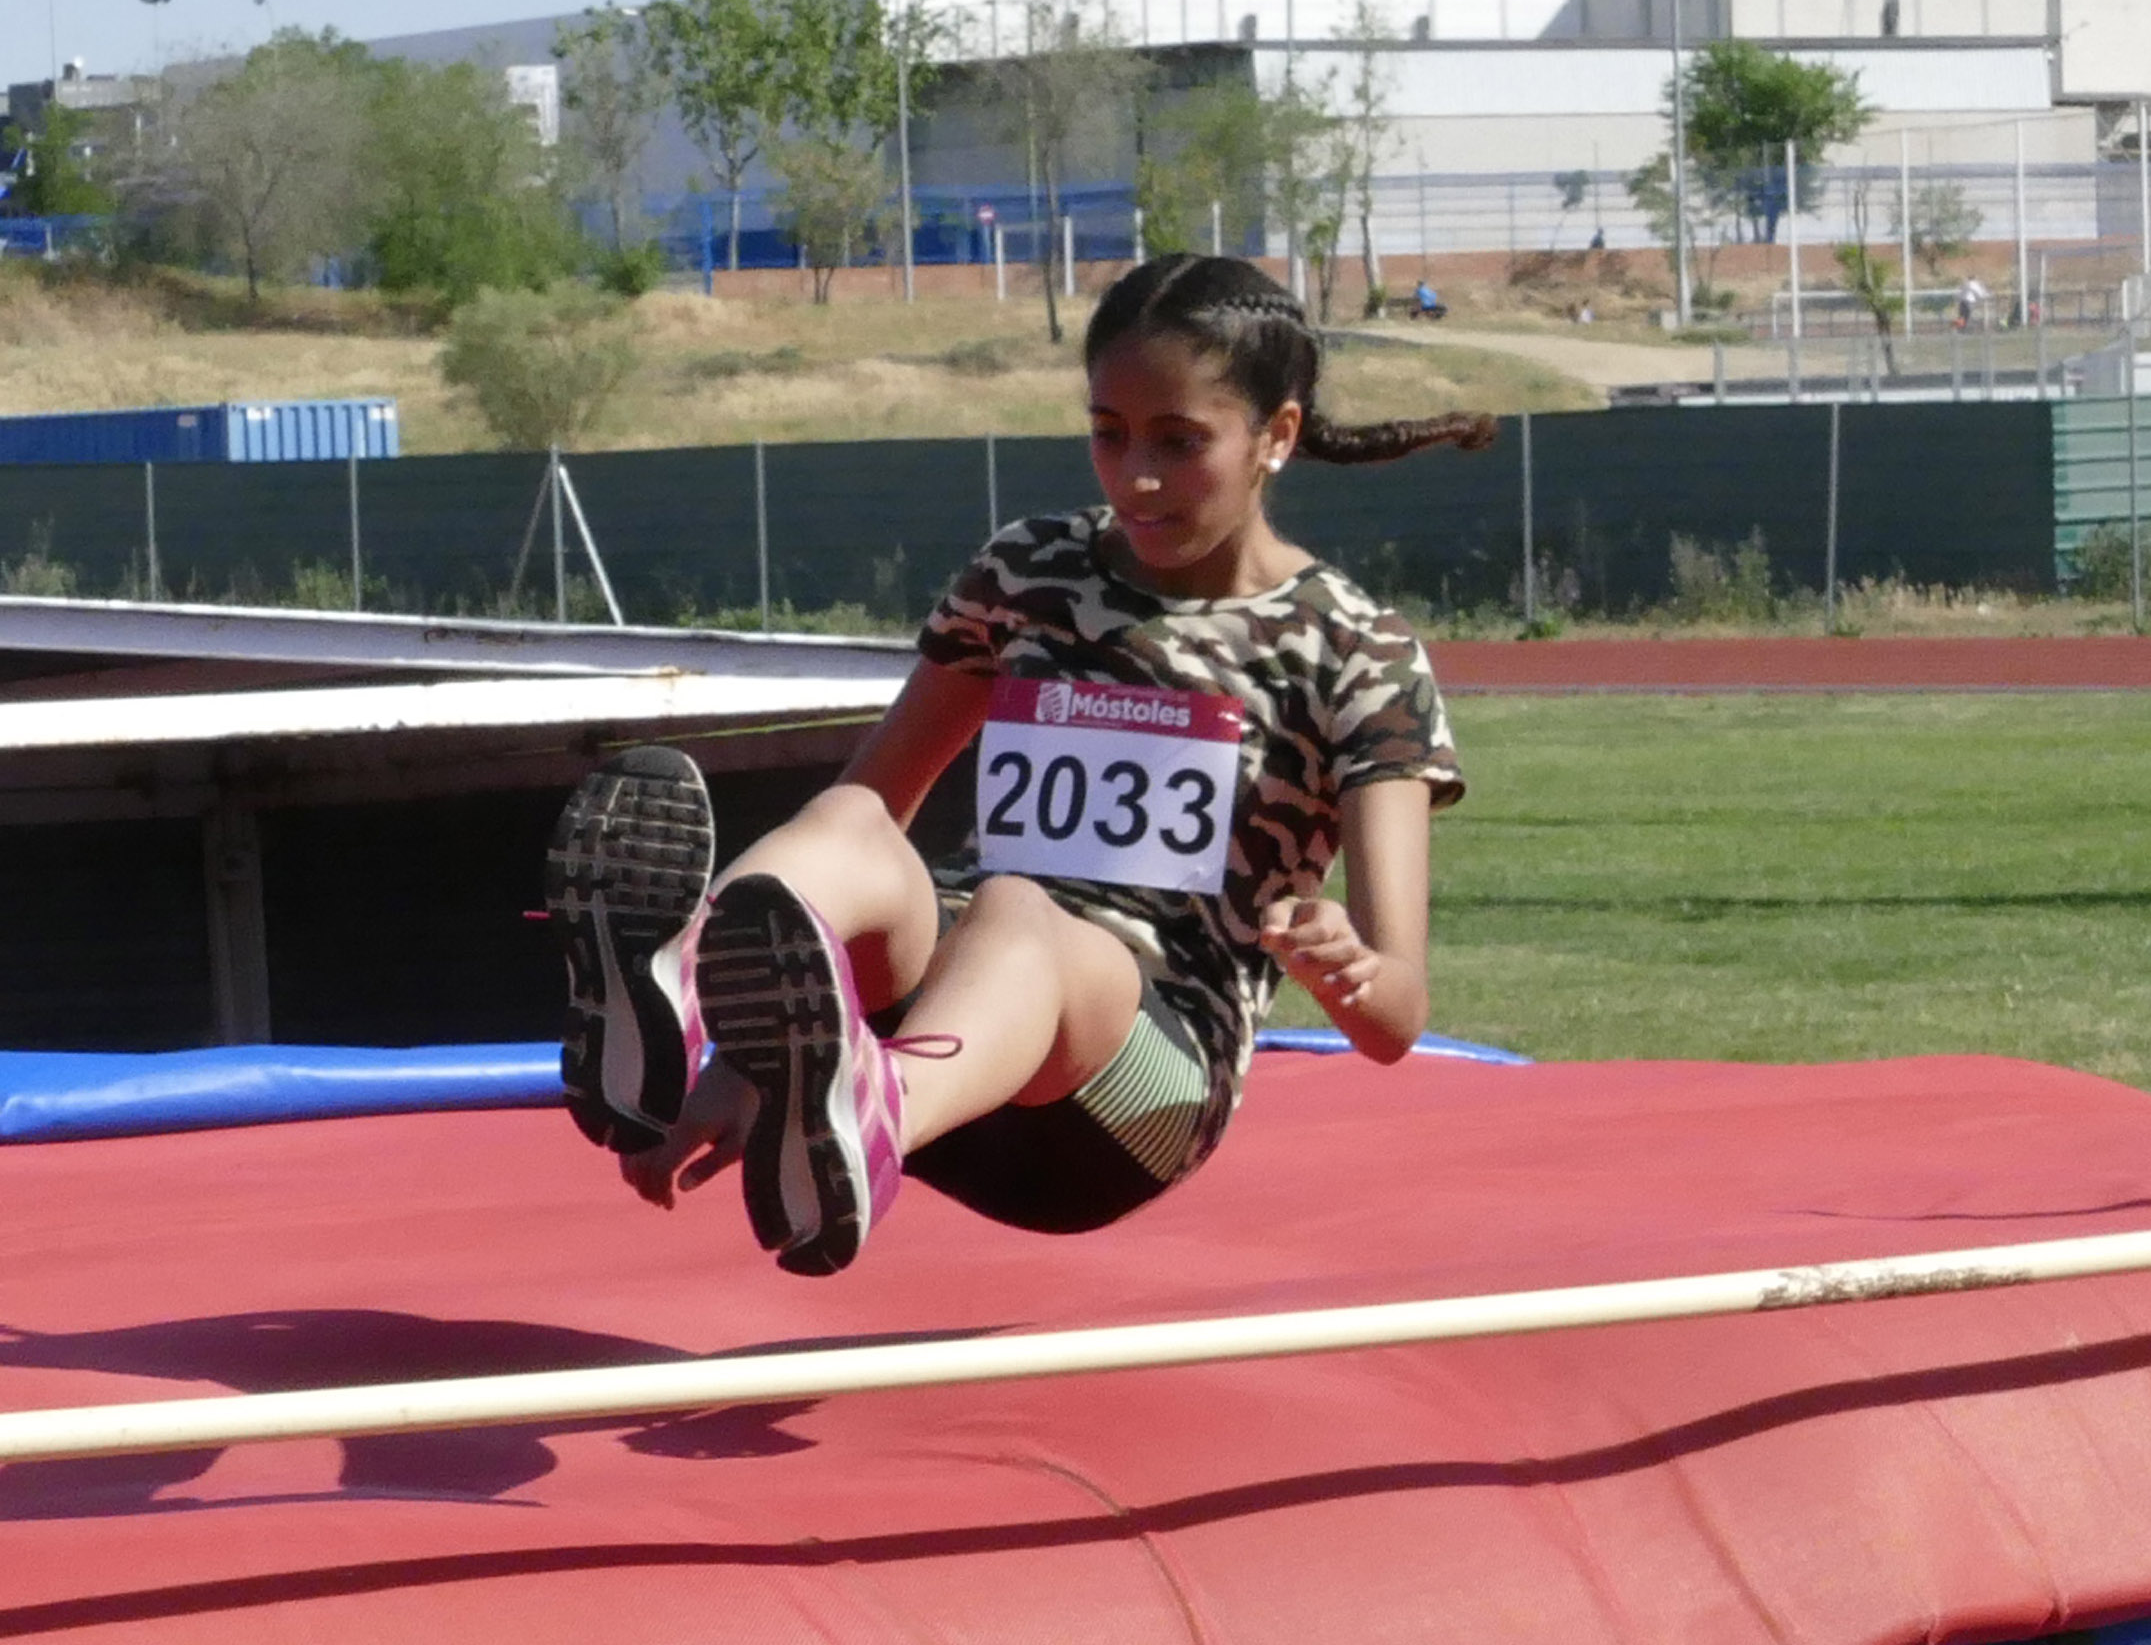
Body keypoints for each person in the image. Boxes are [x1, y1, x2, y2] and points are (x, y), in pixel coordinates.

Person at [542, 253, 1487, 1275]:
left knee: (1018, 911)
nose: (1136, 478)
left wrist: (1349, 969)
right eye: (1108, 434)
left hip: (1128, 1106)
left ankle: (867, 1120)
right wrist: (746, 1064)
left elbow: (1396, 1020)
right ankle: (675, 994)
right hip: (946, 1015)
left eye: (1179, 442)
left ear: (1277, 435)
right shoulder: (1030, 573)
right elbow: (876, 804)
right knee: (855, 824)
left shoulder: (1356, 652)